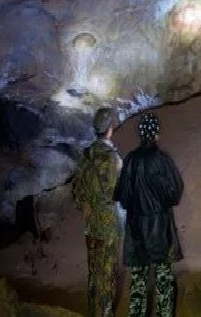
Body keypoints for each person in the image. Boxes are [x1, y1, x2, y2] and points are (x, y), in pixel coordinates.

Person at [114, 112, 184, 317]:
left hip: (135, 228)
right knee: (163, 276)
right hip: (159, 227)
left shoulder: (130, 160)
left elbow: (122, 197)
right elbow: (175, 193)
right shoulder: (161, 160)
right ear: (156, 134)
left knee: (138, 279)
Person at [71, 107, 123, 317]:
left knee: (93, 270)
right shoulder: (112, 159)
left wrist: (87, 206)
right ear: (110, 129)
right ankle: (105, 313)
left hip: (91, 222)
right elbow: (118, 191)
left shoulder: (85, 156)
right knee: (108, 272)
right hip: (108, 223)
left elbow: (77, 192)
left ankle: (93, 311)